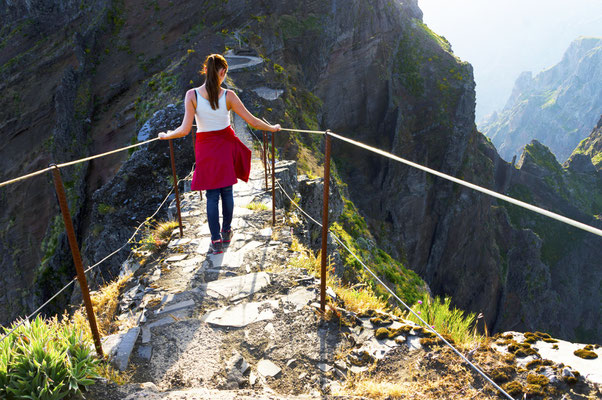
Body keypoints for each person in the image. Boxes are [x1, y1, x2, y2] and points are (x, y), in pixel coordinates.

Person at [158, 53, 280, 254]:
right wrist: (272, 128)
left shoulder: (192, 95)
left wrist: (166, 136)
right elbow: (253, 121)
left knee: (211, 195)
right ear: (223, 72)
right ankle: (226, 231)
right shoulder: (229, 96)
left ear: (205, 70)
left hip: (205, 147)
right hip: (225, 145)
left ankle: (215, 240)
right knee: (227, 192)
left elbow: (185, 129)